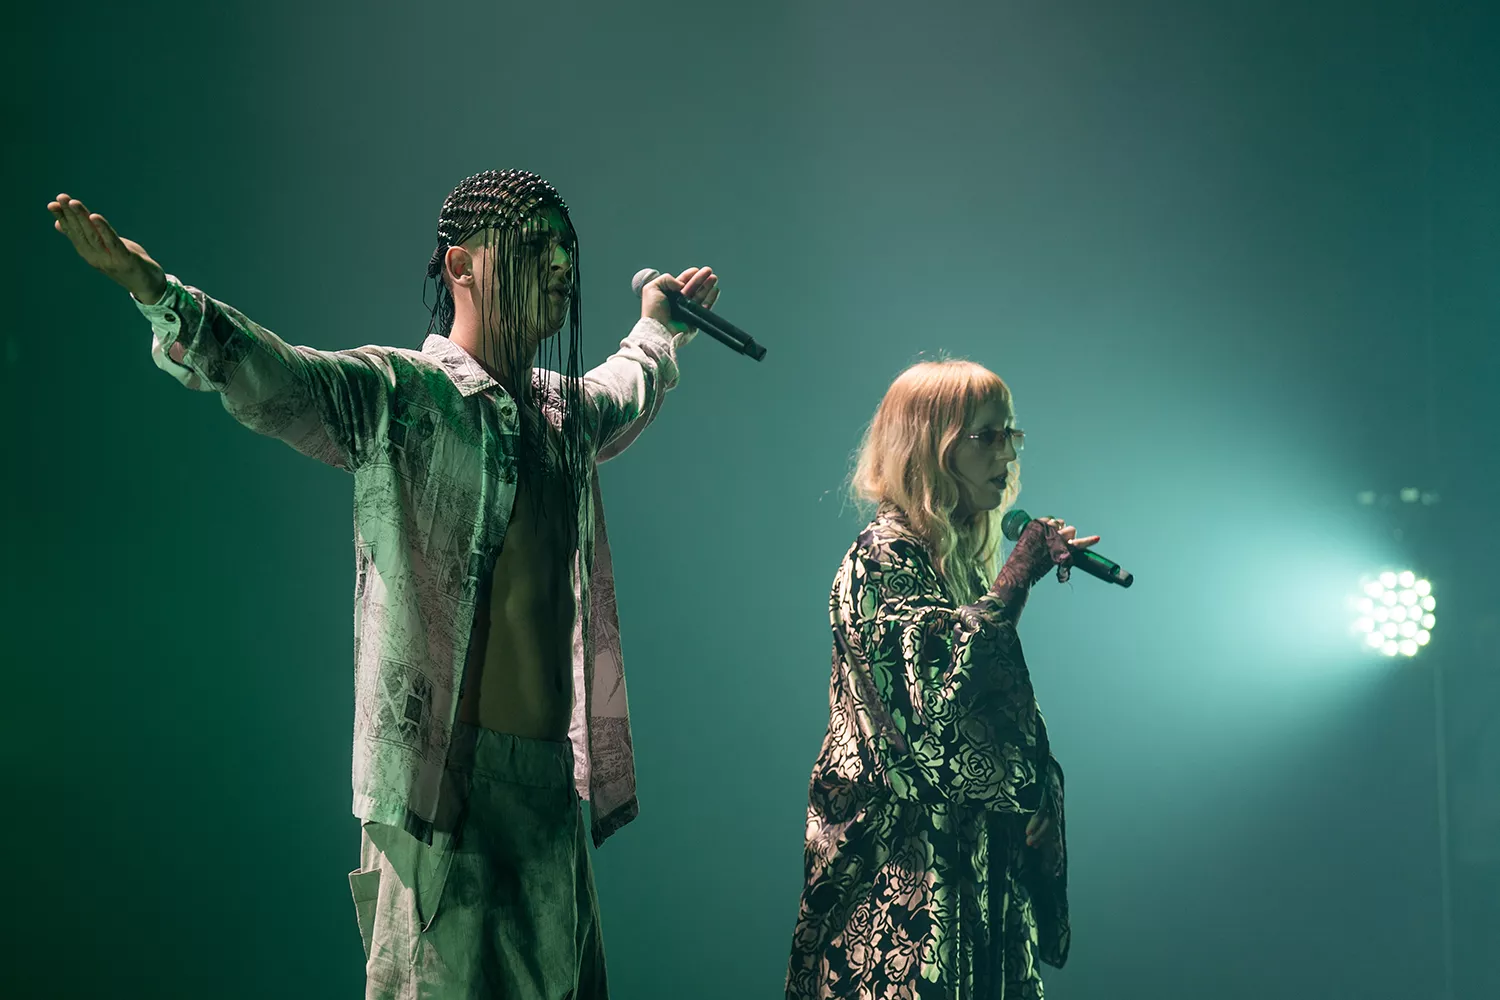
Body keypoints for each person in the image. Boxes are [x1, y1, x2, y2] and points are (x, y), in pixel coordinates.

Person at [48, 170, 720, 1000]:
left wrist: (656, 325)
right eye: (533, 244)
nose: (559, 265)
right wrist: (161, 295)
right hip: (447, 798)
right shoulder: (402, 396)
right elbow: (275, 375)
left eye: (564, 247)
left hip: (549, 798)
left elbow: (629, 382)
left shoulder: (563, 417)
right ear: (461, 265)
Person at [786, 359, 1094, 999]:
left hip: (971, 873)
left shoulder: (955, 565)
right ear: (930, 446)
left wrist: (1038, 793)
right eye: (987, 436)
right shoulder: (879, 558)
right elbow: (938, 699)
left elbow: (995, 716)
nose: (1008, 453)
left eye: (1011, 434)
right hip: (902, 878)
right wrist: (1017, 577)